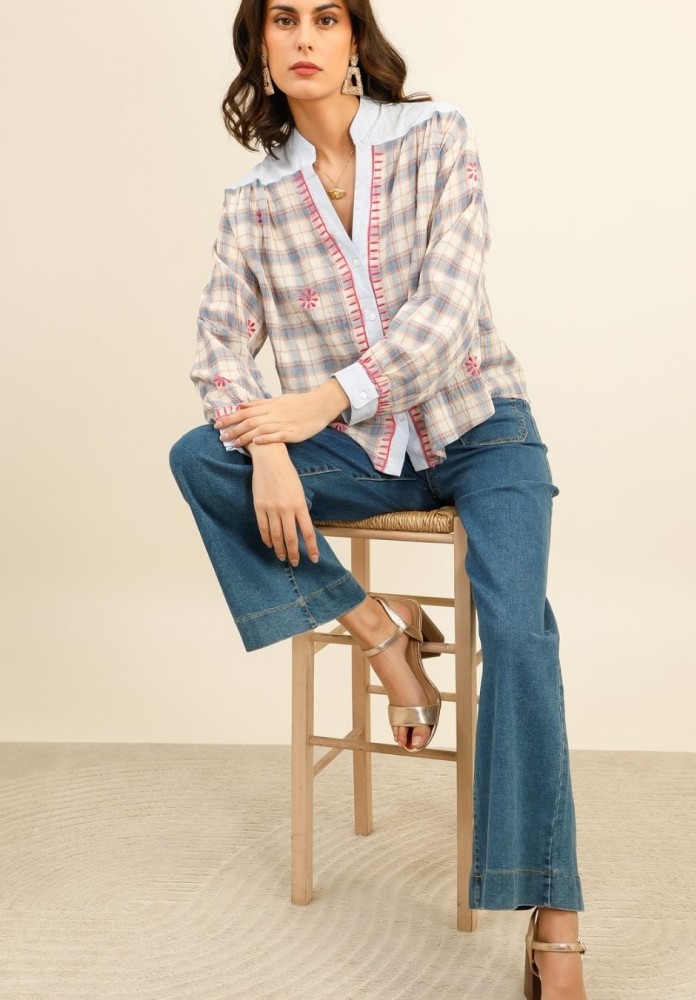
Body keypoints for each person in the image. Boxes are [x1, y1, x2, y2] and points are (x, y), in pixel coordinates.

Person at [168, 2, 590, 997]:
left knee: (518, 631)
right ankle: (381, 632)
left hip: (481, 425)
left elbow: (446, 314)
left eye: (326, 17)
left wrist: (315, 401)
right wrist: (268, 446)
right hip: (359, 455)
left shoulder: (437, 139)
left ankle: (554, 916)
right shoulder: (252, 202)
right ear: (261, 47)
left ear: (354, 38)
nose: (304, 38)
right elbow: (218, 348)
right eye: (283, 20)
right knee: (201, 459)